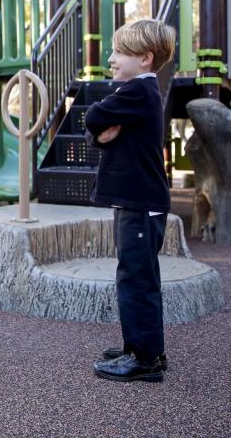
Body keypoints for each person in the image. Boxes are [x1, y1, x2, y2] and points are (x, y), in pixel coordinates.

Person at [83, 19, 175, 382]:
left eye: (120, 52)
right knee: (139, 276)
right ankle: (142, 347)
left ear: (146, 59)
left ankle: (145, 359)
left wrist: (101, 126)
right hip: (138, 202)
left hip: (140, 203)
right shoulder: (139, 93)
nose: (111, 58)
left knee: (135, 279)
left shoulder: (136, 92)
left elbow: (93, 116)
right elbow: (102, 132)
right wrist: (104, 135)